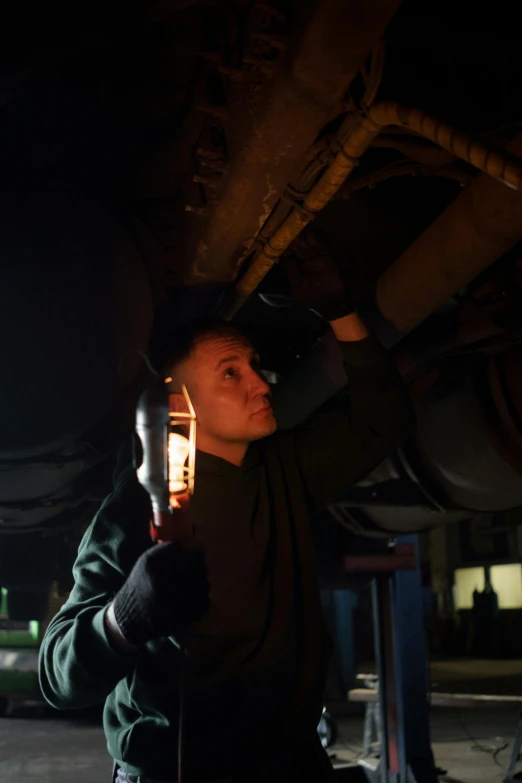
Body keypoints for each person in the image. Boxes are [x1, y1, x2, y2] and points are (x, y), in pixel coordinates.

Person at [39, 240, 416, 783]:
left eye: (255, 367)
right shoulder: (131, 509)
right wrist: (123, 618)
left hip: (290, 763)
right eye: (231, 372)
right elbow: (58, 679)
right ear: (176, 401)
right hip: (172, 769)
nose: (262, 383)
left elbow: (387, 420)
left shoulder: (284, 468)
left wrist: (339, 308)